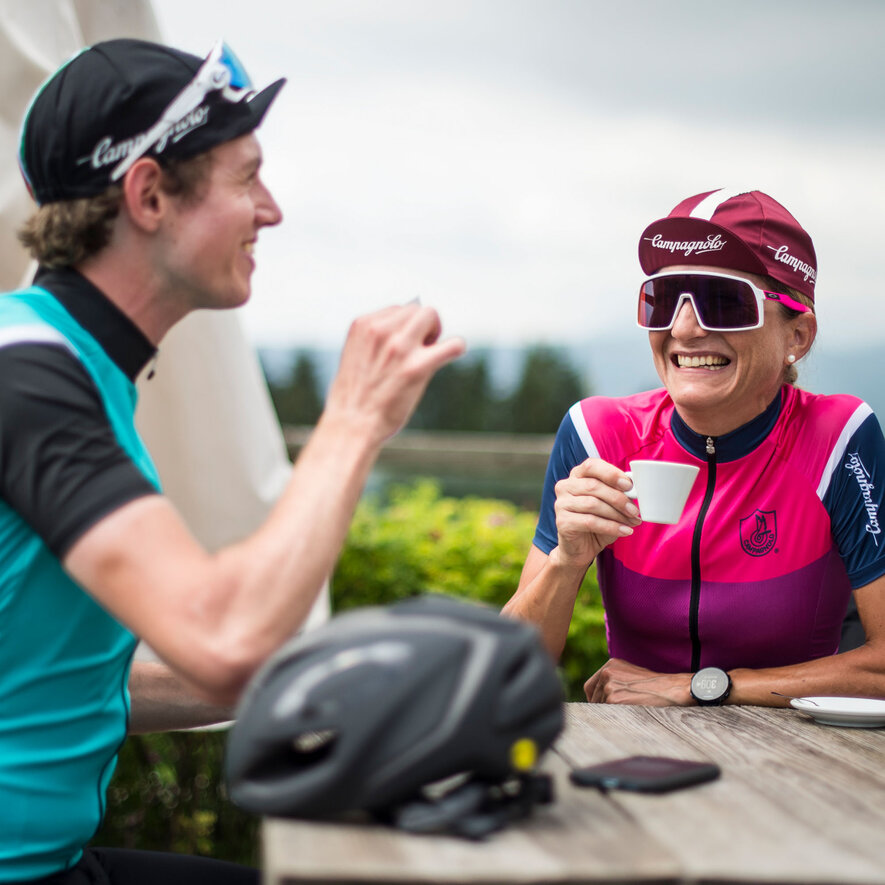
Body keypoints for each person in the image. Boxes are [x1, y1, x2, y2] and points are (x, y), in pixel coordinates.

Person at [0, 38, 464, 884]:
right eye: (246, 177)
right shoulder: (32, 382)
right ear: (149, 195)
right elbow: (224, 639)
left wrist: (320, 686)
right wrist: (354, 417)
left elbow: (53, 682)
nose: (271, 209)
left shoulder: (61, 361)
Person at [503, 188, 885, 708]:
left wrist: (701, 687)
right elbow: (506, 672)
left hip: (792, 748)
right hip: (630, 740)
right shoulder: (596, 433)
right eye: (663, 300)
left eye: (724, 301)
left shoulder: (839, 438)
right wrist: (565, 563)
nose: (683, 328)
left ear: (797, 335)